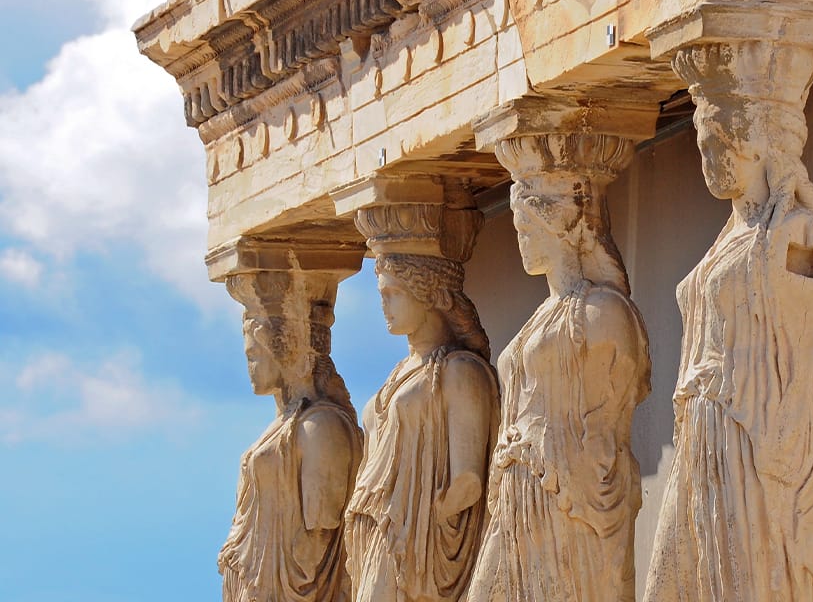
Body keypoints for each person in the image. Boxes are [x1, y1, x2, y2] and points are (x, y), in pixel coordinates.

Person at [644, 42, 813, 602]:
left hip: (757, 430)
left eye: (720, 144)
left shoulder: (802, 236)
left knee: (748, 578)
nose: (709, 158)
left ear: (759, 146)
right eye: (703, 145)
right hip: (706, 427)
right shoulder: (728, 241)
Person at [468, 141, 650, 602]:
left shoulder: (601, 311)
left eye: (528, 227)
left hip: (567, 493)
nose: (521, 241)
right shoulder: (540, 318)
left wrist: (577, 466)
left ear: (559, 227)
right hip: (517, 490)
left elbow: (611, 416)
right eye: (518, 228)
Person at [345, 253, 499, 602]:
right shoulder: (398, 374)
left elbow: (468, 480)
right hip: (377, 532)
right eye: (382, 294)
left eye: (394, 293)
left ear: (429, 294)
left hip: (414, 541)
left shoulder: (459, 370)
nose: (383, 304)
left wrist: (425, 521)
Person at [218, 272, 363, 602]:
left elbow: (320, 533)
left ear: (281, 350)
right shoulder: (285, 424)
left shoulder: (320, 425)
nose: (250, 366)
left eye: (254, 355)